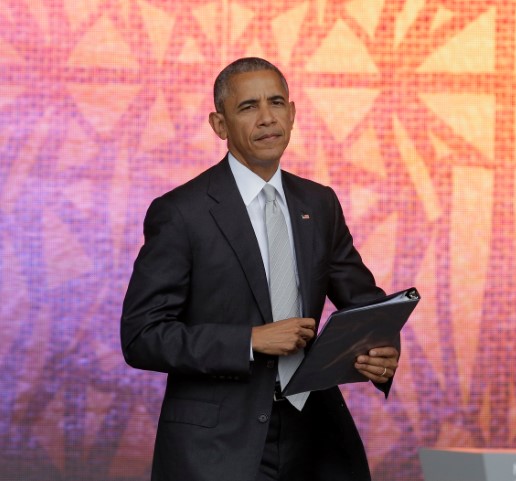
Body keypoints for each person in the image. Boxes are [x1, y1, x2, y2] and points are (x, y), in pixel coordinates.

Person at [120, 57, 399, 481]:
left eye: (276, 103)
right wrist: (250, 341)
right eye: (248, 107)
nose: (267, 118)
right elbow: (142, 336)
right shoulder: (181, 213)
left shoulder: (319, 203)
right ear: (220, 125)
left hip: (317, 438)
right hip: (218, 447)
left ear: (292, 112)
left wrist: (379, 349)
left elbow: (365, 305)